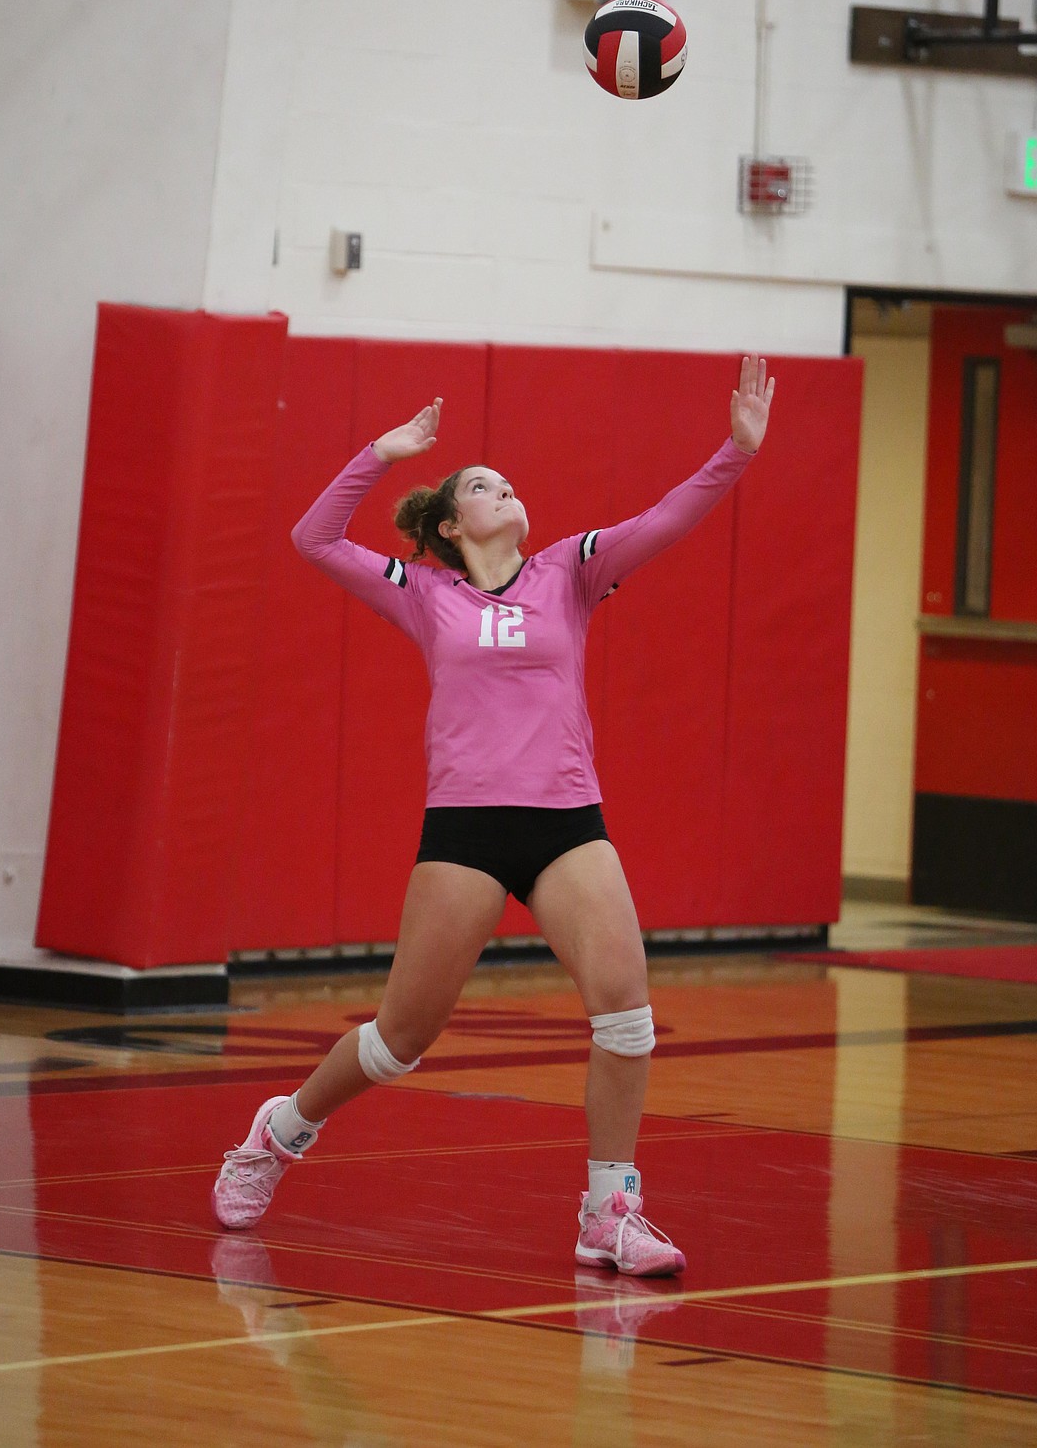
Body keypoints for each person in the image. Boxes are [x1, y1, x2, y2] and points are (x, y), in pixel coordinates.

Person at [212, 354, 775, 1277]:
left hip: (566, 822)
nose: (504, 490)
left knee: (628, 1015)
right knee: (400, 1042)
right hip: (467, 830)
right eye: (482, 486)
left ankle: (609, 1212)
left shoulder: (573, 571)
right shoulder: (425, 594)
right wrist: (382, 451)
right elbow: (312, 538)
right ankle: (280, 1131)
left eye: (508, 484)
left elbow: (669, 519)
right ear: (448, 524)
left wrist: (737, 450)